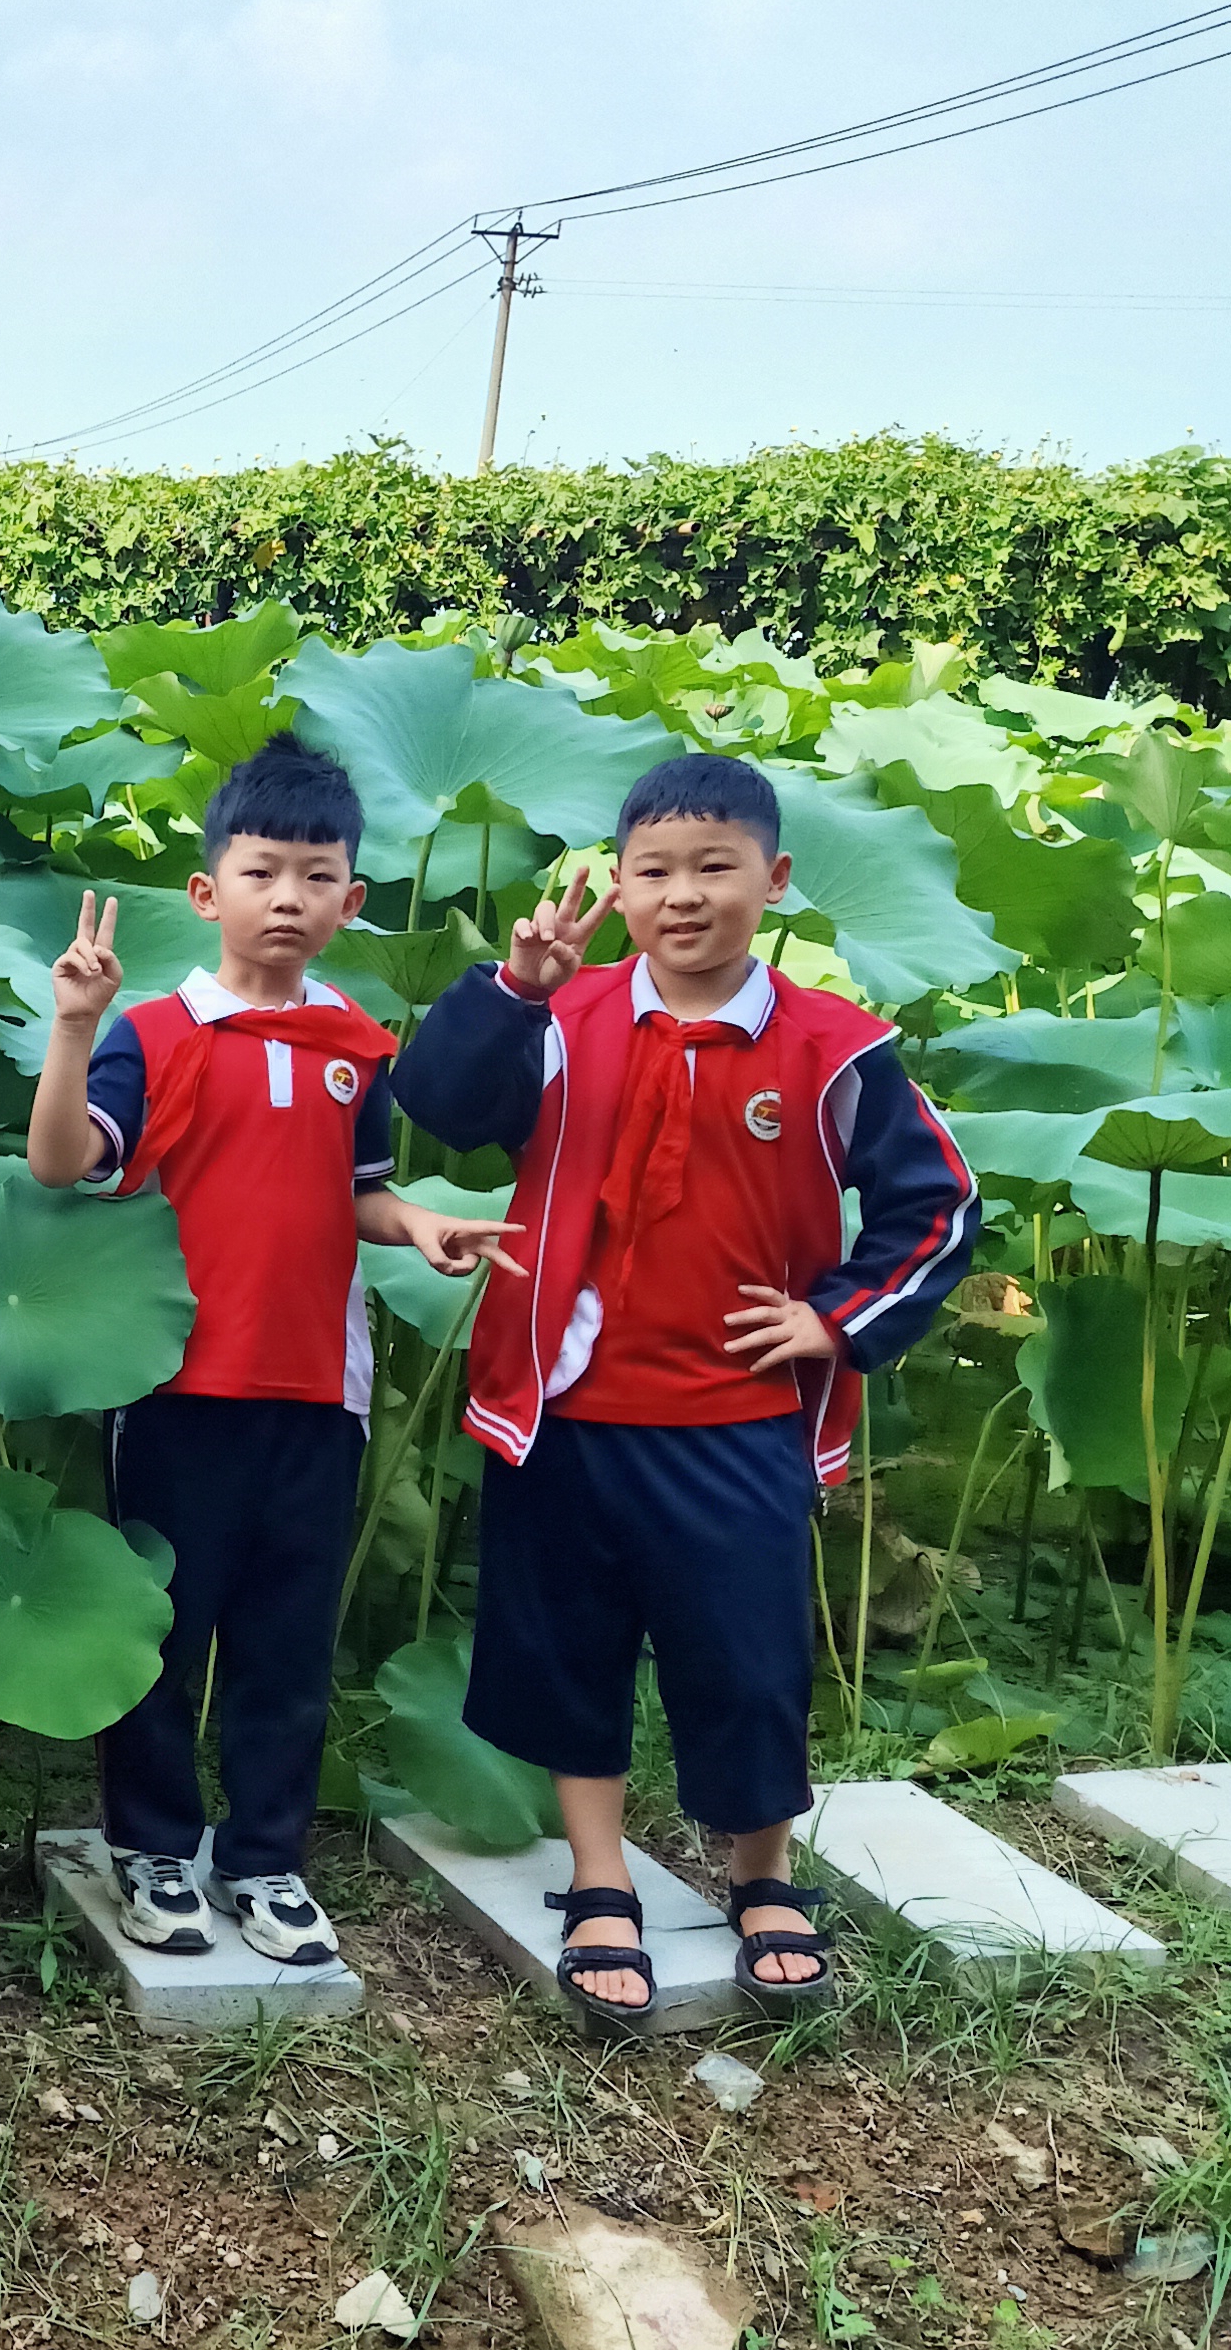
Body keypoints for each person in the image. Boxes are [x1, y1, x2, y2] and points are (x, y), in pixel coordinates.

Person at [391, 753, 977, 2028]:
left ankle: (758, 1873)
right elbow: (433, 1102)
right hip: (561, 1405)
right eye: (652, 871)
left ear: (771, 879)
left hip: (734, 1416)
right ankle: (597, 1876)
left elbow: (940, 1203)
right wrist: (509, 990)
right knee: (567, 1650)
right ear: (620, 884)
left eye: (714, 867)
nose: (682, 895)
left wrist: (834, 1320)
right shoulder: (560, 1016)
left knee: (745, 1656)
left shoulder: (834, 1048)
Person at [19, 732, 521, 1968]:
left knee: (286, 1641)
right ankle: (148, 1848)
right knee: (163, 1629)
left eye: (315, 876)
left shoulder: (355, 1045)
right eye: (261, 872)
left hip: (318, 1385)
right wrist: (72, 1029)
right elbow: (59, 1161)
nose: (287, 898)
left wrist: (421, 1225)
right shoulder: (154, 1034)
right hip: (177, 1387)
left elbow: (359, 1191)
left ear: (352, 899)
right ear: (207, 892)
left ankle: (264, 1859)